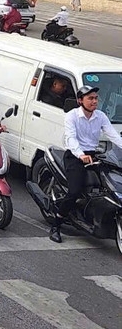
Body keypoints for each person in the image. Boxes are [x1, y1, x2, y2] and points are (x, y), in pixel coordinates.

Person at [50, 85, 122, 243]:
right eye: (90, 98)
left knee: (108, 185)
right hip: (75, 156)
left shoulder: (101, 116)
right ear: (80, 100)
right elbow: (71, 138)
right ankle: (56, 224)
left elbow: (114, 135)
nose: (94, 101)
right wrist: (81, 154)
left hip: (93, 155)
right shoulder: (72, 116)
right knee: (74, 191)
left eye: (96, 98)